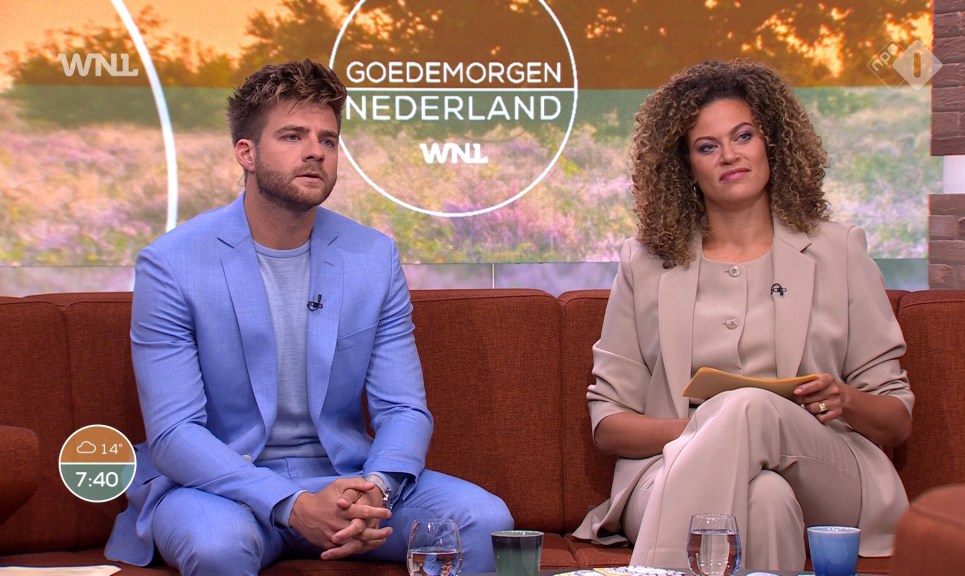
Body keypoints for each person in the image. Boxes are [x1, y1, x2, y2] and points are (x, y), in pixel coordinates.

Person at [105, 59, 513, 575]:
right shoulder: (171, 263)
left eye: (328, 139)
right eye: (293, 136)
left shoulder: (372, 257)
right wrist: (292, 505)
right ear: (246, 153)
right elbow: (174, 434)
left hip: (346, 481)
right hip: (221, 488)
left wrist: (376, 490)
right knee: (216, 547)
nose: (316, 151)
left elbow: (404, 409)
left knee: (485, 521)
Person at [571, 60, 913, 571]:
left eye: (743, 136)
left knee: (747, 407)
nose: (730, 155)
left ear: (771, 142)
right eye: (707, 147)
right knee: (765, 500)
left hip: (826, 472)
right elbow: (609, 424)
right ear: (684, 166)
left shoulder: (839, 250)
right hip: (668, 472)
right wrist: (712, 430)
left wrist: (844, 398)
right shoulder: (645, 263)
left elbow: (896, 420)